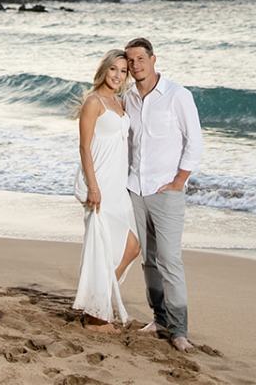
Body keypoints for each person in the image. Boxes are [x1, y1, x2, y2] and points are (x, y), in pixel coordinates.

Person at [122, 36, 203, 353]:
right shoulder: (128, 97)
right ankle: (159, 318)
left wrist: (180, 179)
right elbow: (127, 143)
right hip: (135, 189)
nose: (135, 65)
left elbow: (194, 140)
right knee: (149, 261)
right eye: (130, 60)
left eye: (140, 58)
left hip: (165, 190)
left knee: (170, 260)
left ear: (154, 59)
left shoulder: (177, 95)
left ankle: (179, 330)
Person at [72, 49, 143, 329]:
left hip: (118, 183)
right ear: (104, 70)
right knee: (102, 248)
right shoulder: (94, 102)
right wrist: (93, 186)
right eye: (113, 69)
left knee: (131, 246)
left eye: (123, 71)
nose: (118, 75)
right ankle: (96, 316)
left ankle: (96, 301)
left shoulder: (119, 101)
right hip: (99, 181)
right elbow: (84, 147)